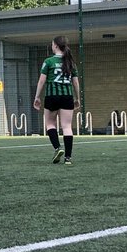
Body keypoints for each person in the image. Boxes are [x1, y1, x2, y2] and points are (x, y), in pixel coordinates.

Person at [32, 35, 81, 165]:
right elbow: (75, 83)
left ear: (56, 46)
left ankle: (58, 148)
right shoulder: (71, 62)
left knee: (50, 124)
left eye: (52, 44)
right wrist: (77, 98)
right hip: (67, 97)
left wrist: (37, 97)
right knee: (67, 126)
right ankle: (68, 158)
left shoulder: (48, 62)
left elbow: (42, 80)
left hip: (52, 96)